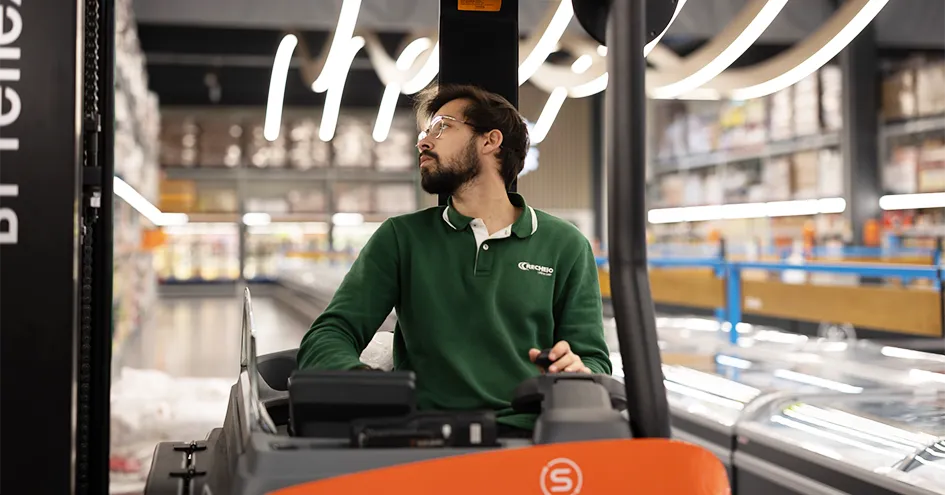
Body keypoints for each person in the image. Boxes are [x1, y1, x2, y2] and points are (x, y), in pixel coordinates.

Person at [297, 83, 611, 436]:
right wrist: (366, 385)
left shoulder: (565, 245)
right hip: (426, 439)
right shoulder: (402, 238)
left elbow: (594, 361)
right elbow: (330, 333)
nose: (423, 141)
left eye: (442, 127)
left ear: (490, 141)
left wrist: (576, 369)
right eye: (425, 131)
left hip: (531, 442)